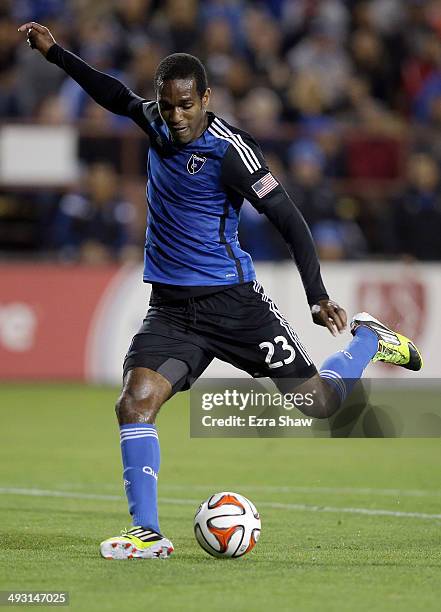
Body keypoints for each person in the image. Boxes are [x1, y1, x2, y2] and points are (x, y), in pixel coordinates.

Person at [19, 22, 423, 561]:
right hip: (170, 310)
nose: (177, 116)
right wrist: (55, 53)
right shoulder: (156, 123)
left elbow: (289, 218)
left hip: (233, 305)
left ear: (205, 98)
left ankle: (368, 341)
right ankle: (147, 532)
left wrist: (316, 294)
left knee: (319, 405)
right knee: (134, 404)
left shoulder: (231, 151)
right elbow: (113, 93)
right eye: (168, 106)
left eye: (186, 105)